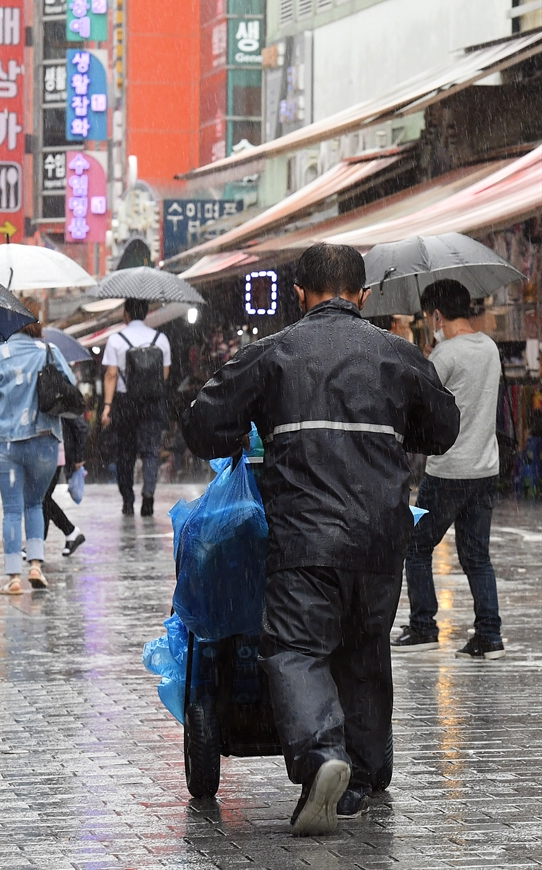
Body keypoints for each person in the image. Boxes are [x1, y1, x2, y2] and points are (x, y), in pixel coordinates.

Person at [182, 243, 459, 836]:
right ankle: (364, 774)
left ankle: (320, 755)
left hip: (305, 539)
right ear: (362, 296)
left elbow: (203, 425)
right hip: (382, 540)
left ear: (301, 295)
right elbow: (444, 428)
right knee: (362, 650)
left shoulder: (273, 353)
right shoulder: (398, 356)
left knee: (295, 650)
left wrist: (249, 424)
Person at [392, 279, 505, 660]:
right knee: (477, 556)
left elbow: (416, 404)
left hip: (449, 471)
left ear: (437, 314)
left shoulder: (446, 354)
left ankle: (424, 626)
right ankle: (490, 636)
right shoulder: (489, 348)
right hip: (486, 469)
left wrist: (427, 360)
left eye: (429, 315)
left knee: (416, 546)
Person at [0, 305, 77, 593]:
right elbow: (70, 386)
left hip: (8, 444)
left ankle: (13, 578)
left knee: (12, 510)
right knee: (35, 503)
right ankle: (36, 564)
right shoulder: (49, 352)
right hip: (44, 442)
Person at [101, 298, 171, 516]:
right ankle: (148, 494)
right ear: (147, 313)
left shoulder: (116, 340)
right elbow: (164, 374)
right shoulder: (161, 339)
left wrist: (107, 406)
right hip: (152, 402)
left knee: (125, 453)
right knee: (150, 452)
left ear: (126, 314)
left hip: (124, 402)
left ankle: (128, 500)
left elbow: (112, 374)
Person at [43, 415, 88, 556]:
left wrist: (78, 455)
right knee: (42, 498)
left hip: (56, 452)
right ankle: (39, 542)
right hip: (48, 450)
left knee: (42, 498)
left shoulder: (59, 396)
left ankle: (69, 531)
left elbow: (81, 427)